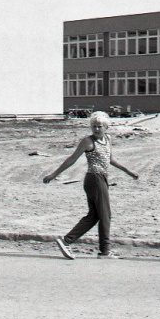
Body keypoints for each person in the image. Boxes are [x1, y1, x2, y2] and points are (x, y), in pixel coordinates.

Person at [43, 111, 139, 259]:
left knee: (94, 216)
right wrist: (54, 174)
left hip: (103, 178)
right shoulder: (88, 141)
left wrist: (128, 171)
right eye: (94, 126)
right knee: (105, 215)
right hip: (94, 179)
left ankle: (67, 241)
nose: (96, 129)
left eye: (100, 126)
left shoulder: (108, 139)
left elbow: (110, 159)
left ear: (106, 127)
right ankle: (104, 251)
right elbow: (72, 159)